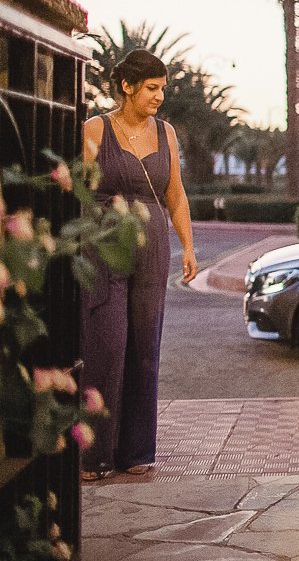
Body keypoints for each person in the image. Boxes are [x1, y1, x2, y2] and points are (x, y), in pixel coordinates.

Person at [80, 49, 198, 480]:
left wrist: (187, 245)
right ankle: (92, 455)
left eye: (162, 88)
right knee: (105, 346)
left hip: (152, 252)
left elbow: (176, 194)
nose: (159, 97)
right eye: (151, 88)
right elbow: (75, 191)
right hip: (104, 250)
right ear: (127, 87)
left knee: (145, 349)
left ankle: (134, 452)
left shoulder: (165, 133)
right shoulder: (95, 130)